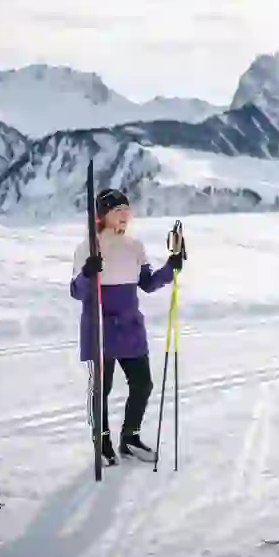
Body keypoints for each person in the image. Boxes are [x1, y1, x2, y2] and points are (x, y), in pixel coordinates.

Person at [69, 189, 184, 466]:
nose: (124, 215)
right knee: (102, 389)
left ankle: (130, 438)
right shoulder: (88, 247)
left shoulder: (135, 246)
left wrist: (172, 266)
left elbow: (147, 283)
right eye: (117, 210)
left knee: (143, 383)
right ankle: (103, 440)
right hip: (100, 326)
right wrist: (87, 272)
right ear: (103, 215)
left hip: (130, 325)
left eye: (126, 210)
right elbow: (76, 291)